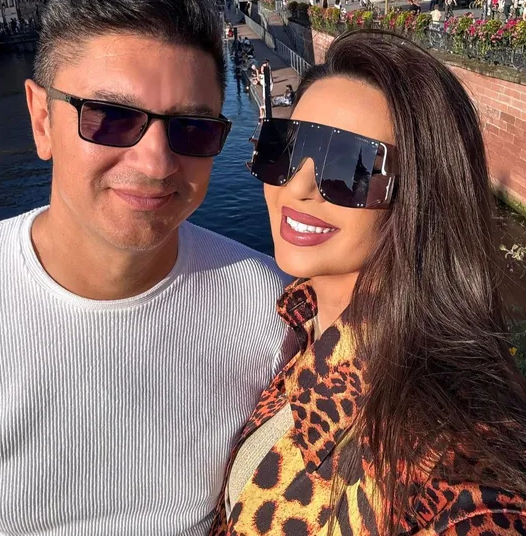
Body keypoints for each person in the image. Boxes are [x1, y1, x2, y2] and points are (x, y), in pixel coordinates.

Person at [0, 0, 297, 535]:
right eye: (111, 118)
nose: (157, 163)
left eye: (193, 128)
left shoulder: (278, 313)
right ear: (41, 120)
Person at [212, 30, 526, 534]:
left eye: (349, 166)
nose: (297, 187)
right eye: (286, 149)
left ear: (422, 198)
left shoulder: (449, 458)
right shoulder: (304, 324)